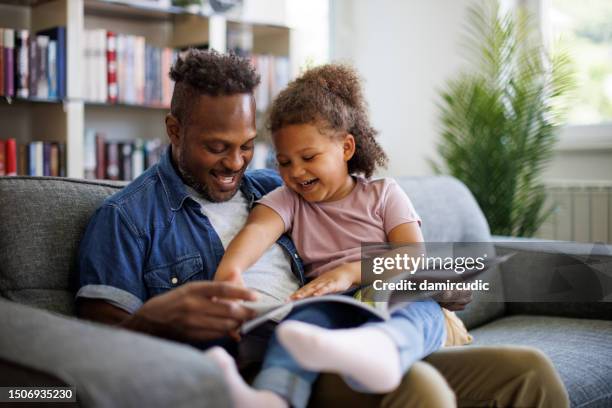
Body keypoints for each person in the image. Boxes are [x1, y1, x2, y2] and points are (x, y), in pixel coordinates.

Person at [76, 49, 569, 408]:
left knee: (530, 373)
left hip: (358, 330)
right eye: (216, 147)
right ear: (175, 130)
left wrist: (433, 286)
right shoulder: (127, 219)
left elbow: (395, 253)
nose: (235, 164)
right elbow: (82, 355)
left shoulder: (279, 186)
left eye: (246, 145)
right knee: (421, 391)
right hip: (268, 359)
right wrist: (161, 317)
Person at [208, 63, 447, 408]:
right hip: (330, 306)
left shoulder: (384, 195)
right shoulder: (289, 201)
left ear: (346, 148)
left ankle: (385, 350)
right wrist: (229, 273)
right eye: (284, 162)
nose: (296, 172)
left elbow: (411, 254)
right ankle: (273, 396)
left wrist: (349, 273)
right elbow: (258, 230)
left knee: (424, 309)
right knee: (296, 328)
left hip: (387, 296)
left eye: (309, 157)